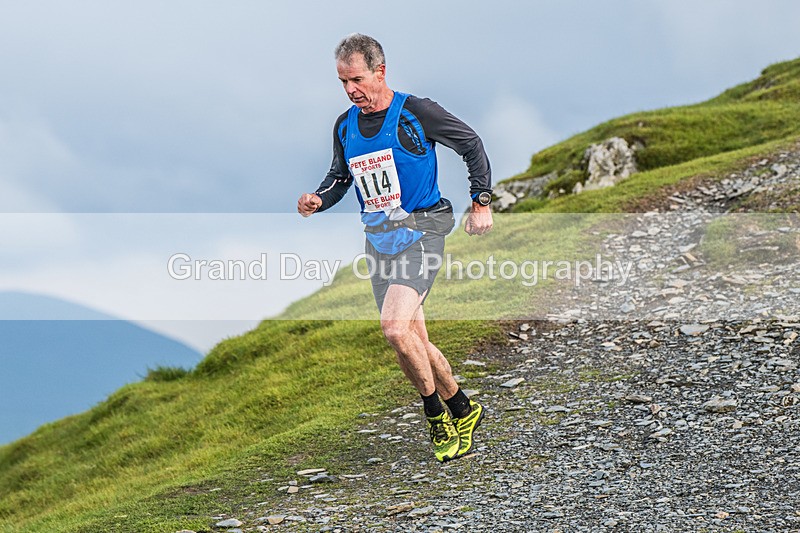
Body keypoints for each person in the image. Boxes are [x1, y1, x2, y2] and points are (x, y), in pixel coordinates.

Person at [297, 33, 493, 462]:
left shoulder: (416, 113)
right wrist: (318, 199)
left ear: (380, 71)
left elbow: (471, 144)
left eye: (357, 79)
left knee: (393, 328)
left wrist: (480, 201)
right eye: (343, 82)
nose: (350, 90)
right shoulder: (345, 125)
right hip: (379, 240)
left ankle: (435, 416)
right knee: (411, 339)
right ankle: (463, 407)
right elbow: (340, 176)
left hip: (423, 231)